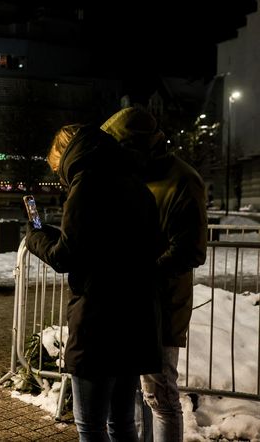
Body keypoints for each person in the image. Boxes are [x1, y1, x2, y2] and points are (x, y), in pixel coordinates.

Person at [25, 124, 163, 441]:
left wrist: (35, 238)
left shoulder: (86, 185)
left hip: (98, 323)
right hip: (135, 318)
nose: (61, 177)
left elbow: (67, 257)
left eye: (58, 169)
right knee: (123, 423)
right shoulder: (135, 184)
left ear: (66, 154)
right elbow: (123, 245)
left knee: (91, 426)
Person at [102, 107, 208, 442]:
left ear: (136, 146)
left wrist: (141, 273)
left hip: (161, 306)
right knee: (129, 396)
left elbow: (191, 250)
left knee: (159, 395)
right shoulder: (133, 175)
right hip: (130, 302)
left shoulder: (183, 180)